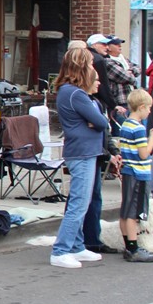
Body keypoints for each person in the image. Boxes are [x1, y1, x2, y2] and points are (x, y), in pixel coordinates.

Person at [50, 48, 108, 268]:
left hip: (85, 151)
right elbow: (101, 122)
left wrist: (94, 122)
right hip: (82, 152)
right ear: (82, 67)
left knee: (81, 202)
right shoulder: (75, 93)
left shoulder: (73, 92)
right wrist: (94, 122)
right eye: (91, 63)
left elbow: (97, 121)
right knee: (79, 204)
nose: (94, 67)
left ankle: (77, 245)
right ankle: (61, 250)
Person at [117, 89, 153, 262]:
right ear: (141, 107)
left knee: (125, 210)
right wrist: (152, 138)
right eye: (148, 109)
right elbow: (144, 154)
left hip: (127, 172)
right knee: (133, 212)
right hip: (138, 174)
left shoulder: (125, 124)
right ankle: (134, 249)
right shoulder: (139, 129)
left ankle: (128, 245)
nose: (149, 112)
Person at [105, 34, 139, 129]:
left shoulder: (123, 59)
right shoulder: (107, 61)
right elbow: (126, 77)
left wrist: (130, 71)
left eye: (120, 44)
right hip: (120, 102)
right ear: (108, 47)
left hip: (131, 100)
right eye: (116, 44)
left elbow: (138, 68)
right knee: (122, 130)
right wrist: (129, 74)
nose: (120, 46)